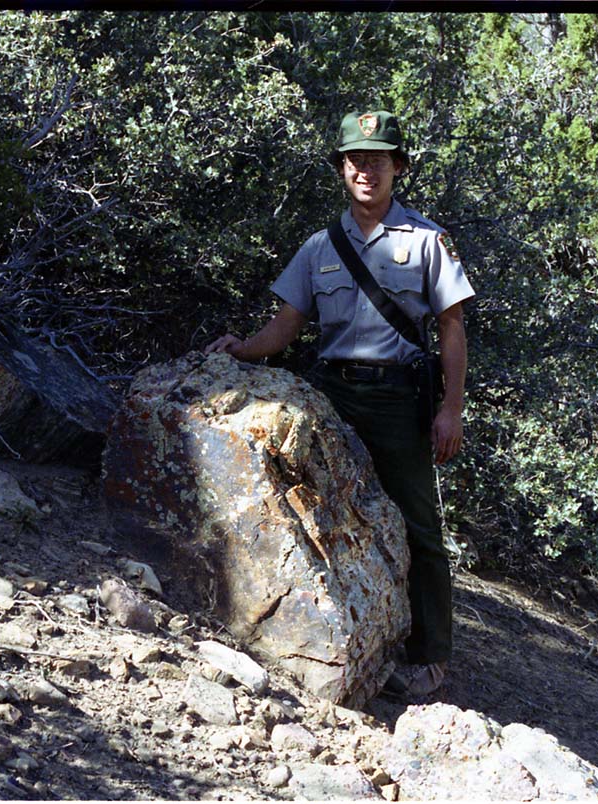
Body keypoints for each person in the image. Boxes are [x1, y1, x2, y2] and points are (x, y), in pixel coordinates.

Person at [206, 110, 474, 700]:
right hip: (330, 393)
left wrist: (450, 409)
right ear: (341, 171)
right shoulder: (318, 246)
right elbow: (287, 324)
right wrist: (243, 351)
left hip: (399, 399)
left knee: (418, 523)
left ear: (398, 168)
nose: (365, 171)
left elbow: (452, 328)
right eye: (355, 160)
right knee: (315, 512)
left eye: (377, 160)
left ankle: (431, 657)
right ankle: (326, 635)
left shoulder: (427, 242)